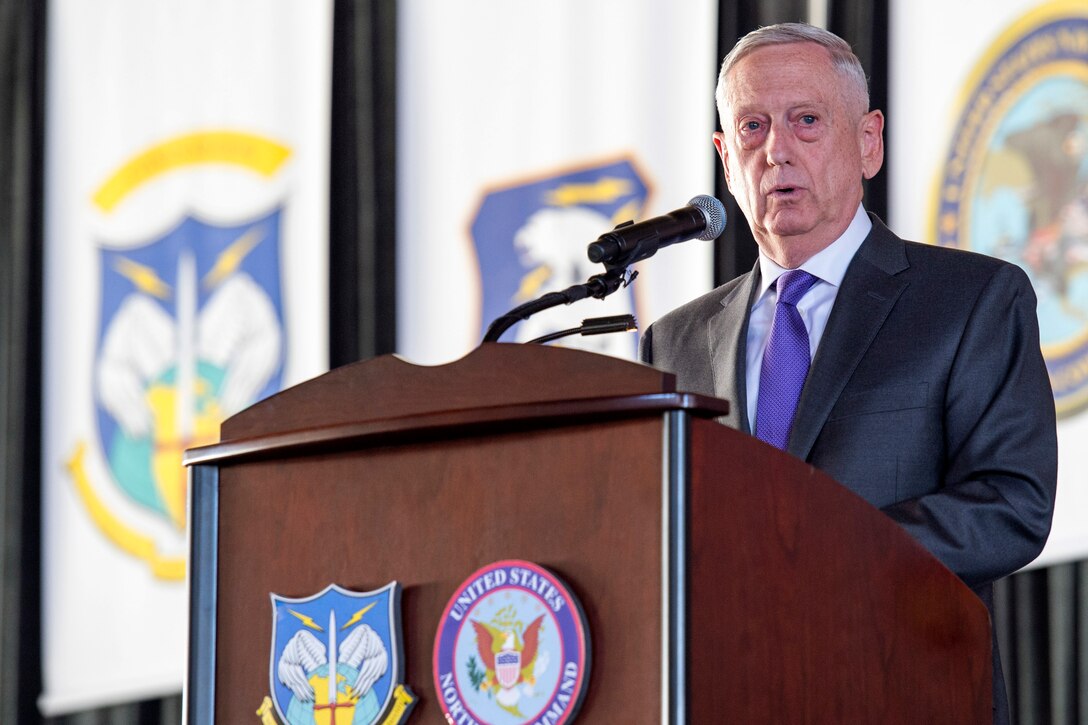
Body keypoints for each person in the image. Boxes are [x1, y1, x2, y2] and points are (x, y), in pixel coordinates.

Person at [639, 22, 1057, 724]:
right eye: (751, 126)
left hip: (907, 691)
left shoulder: (970, 299)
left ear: (869, 142)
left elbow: (1012, 504)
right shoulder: (673, 342)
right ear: (724, 157)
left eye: (806, 121)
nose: (776, 150)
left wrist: (822, 554)